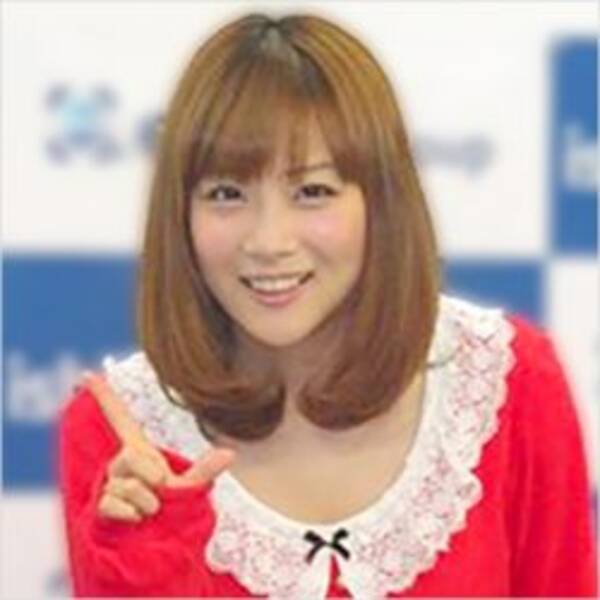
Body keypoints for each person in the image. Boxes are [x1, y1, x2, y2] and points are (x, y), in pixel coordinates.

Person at [57, 12, 597, 598]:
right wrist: (146, 561)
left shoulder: (507, 382)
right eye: (226, 193)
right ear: (180, 214)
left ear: (381, 202)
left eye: (312, 191)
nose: (269, 241)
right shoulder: (118, 433)